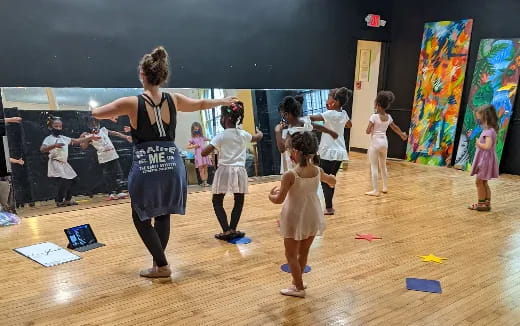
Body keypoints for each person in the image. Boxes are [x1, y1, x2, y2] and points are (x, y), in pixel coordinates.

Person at [92, 46, 237, 278]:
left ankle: (162, 265)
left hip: (147, 166)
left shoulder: (131, 102)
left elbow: (97, 113)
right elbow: (199, 104)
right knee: (163, 214)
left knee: (140, 216)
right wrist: (222, 100)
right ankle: (159, 265)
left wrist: (111, 113)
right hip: (172, 163)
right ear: (162, 75)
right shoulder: (175, 99)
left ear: (142, 74)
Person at [269, 131, 336, 298]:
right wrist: (333, 180)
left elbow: (279, 199)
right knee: (304, 251)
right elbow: (330, 180)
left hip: (294, 216)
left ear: (296, 152)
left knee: (290, 254)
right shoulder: (317, 170)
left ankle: (298, 287)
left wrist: (271, 195)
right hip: (312, 215)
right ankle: (297, 282)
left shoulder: (290, 175)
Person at [201, 102, 263, 240]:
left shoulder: (221, 135)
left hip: (224, 170)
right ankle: (233, 228)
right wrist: (260, 133)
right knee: (239, 200)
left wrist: (211, 146)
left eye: (221, 117)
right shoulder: (243, 134)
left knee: (217, 201)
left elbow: (204, 153)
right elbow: (257, 138)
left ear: (226, 119)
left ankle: (226, 230)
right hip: (240, 171)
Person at [309, 87, 352, 215]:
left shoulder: (330, 114)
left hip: (328, 151)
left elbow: (312, 118)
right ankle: (329, 207)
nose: (328, 100)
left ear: (336, 101)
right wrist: (338, 123)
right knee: (331, 179)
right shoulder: (343, 113)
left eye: (329, 98)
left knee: (325, 180)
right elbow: (349, 124)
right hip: (339, 152)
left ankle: (328, 207)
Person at [40, 116, 99, 207]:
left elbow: (77, 140)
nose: (58, 128)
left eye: (60, 126)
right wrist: (54, 145)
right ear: (51, 127)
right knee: (64, 181)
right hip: (55, 162)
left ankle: (67, 200)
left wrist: (90, 137)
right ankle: (59, 201)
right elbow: (42, 149)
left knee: (73, 181)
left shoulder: (63, 138)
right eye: (56, 126)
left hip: (64, 163)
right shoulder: (49, 138)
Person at [365, 91, 407, 196]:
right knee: (383, 166)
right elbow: (395, 127)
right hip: (384, 143)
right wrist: (402, 134)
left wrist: (370, 128)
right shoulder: (388, 117)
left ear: (378, 105)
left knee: (374, 167)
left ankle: (375, 190)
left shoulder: (374, 117)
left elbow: (368, 131)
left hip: (375, 143)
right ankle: (385, 187)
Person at [80, 117, 132, 200]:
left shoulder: (103, 130)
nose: (94, 125)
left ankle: (119, 192)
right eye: (92, 123)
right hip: (103, 158)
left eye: (95, 122)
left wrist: (125, 137)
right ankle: (110, 193)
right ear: (88, 125)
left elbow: (115, 133)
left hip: (113, 155)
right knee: (107, 175)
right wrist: (88, 139)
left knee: (118, 173)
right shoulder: (86, 135)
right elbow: (83, 147)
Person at [468, 104, 500, 211]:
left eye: (478, 118)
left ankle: (481, 204)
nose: (477, 120)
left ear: (485, 117)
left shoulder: (488, 132)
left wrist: (478, 143)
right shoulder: (491, 130)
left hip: (485, 161)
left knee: (479, 182)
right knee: (484, 182)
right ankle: (486, 203)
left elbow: (487, 146)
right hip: (487, 159)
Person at [186, 122, 212, 187]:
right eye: (195, 129)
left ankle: (205, 182)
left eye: (198, 129)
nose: (197, 130)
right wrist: (194, 146)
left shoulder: (202, 137)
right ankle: (203, 182)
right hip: (199, 155)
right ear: (193, 130)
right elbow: (187, 146)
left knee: (206, 169)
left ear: (200, 129)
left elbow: (210, 139)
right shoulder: (192, 139)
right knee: (201, 169)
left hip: (204, 154)